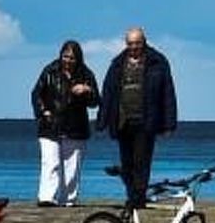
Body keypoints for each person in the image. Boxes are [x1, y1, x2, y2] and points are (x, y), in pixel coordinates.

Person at [96, 27, 178, 210]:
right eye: (130, 44)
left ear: (144, 41)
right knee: (127, 163)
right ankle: (132, 194)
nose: (134, 47)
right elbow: (108, 91)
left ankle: (138, 198)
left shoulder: (158, 61)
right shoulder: (117, 63)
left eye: (137, 43)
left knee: (142, 161)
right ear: (126, 44)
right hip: (122, 120)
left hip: (146, 120)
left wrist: (169, 122)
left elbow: (168, 93)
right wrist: (102, 119)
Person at [30, 39, 99, 207]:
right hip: (50, 124)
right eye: (65, 56)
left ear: (78, 59)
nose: (67, 61)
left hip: (75, 126)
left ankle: (68, 198)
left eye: (72, 58)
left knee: (72, 166)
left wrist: (87, 90)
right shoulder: (50, 71)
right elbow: (36, 93)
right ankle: (47, 198)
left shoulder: (86, 74)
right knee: (50, 162)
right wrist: (43, 111)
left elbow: (96, 100)